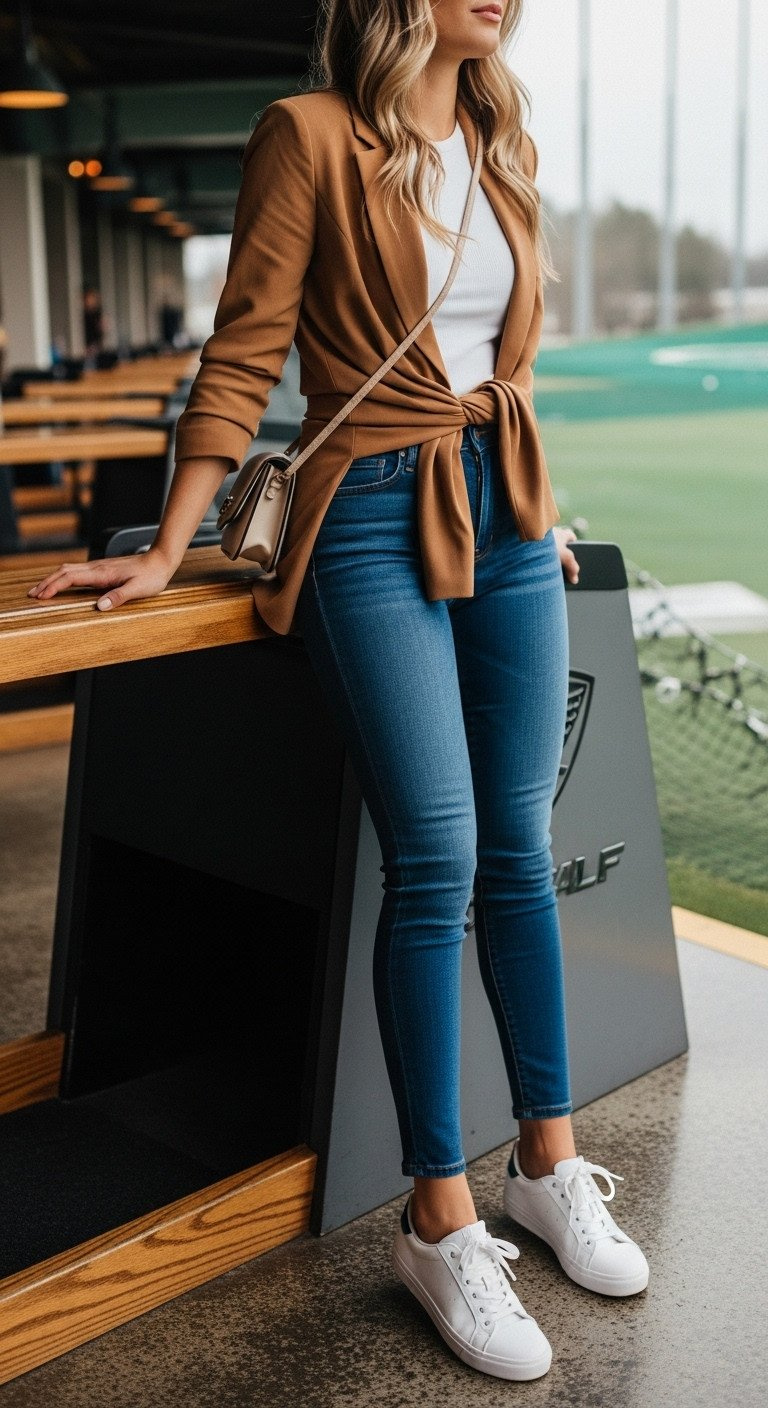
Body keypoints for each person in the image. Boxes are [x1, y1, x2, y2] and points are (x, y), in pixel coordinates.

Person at [28, 0, 649, 1382]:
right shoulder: (304, 134)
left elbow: (506, 352)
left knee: (519, 851)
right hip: (368, 507)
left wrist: (531, 489)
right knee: (434, 855)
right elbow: (247, 348)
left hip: (505, 511)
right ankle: (438, 1222)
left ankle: (547, 1162)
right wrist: (169, 546)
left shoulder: (501, 135)